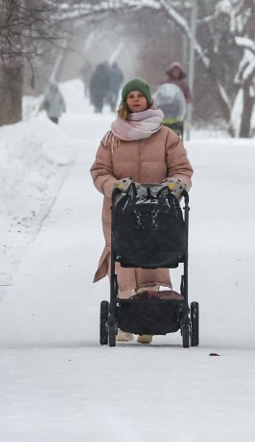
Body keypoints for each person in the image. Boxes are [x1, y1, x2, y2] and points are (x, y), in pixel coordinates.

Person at [90, 78, 194, 344]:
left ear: (149, 100)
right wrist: (114, 187)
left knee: (154, 256)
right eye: (130, 96)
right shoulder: (112, 138)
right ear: (124, 102)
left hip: (158, 210)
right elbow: (99, 171)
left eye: (140, 95)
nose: (135, 99)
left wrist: (176, 186)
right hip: (122, 210)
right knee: (123, 259)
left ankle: (150, 317)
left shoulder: (166, 136)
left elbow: (183, 170)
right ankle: (124, 320)